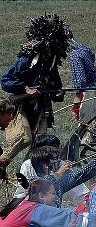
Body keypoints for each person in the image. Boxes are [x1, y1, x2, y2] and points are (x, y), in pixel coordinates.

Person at [1, 14, 72, 170]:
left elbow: (56, 85)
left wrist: (58, 93)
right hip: (21, 107)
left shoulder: (52, 62)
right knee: (24, 138)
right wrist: (25, 88)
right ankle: (2, 162)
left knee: (41, 146)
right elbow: (5, 80)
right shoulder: (27, 60)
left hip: (41, 109)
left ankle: (29, 172)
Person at [10, 144, 96, 209]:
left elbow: (79, 175)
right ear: (45, 165)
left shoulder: (57, 183)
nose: (58, 162)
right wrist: (58, 174)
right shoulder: (33, 185)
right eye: (54, 159)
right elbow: (40, 182)